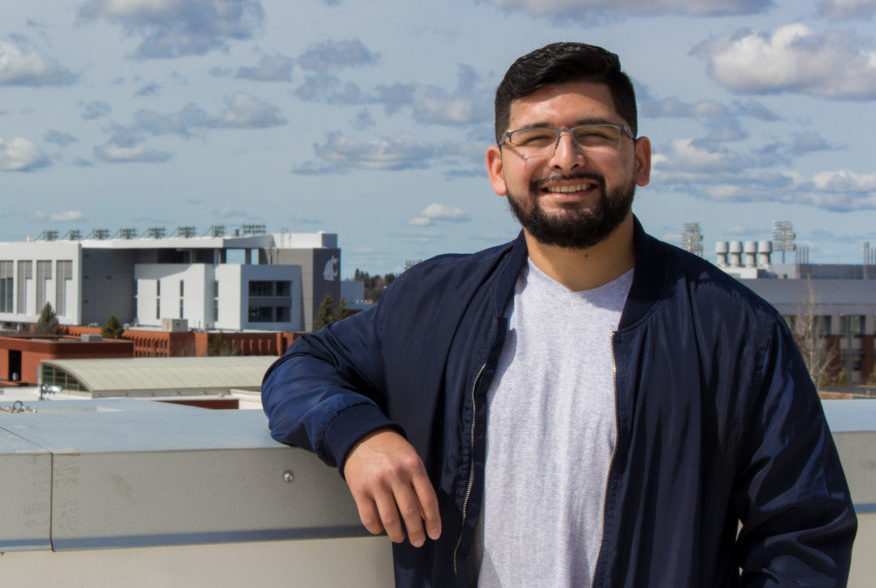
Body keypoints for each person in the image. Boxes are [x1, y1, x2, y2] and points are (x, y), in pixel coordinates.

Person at [262, 42, 856, 587]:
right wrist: (360, 435)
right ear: (499, 167)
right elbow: (304, 366)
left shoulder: (736, 334)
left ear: (641, 160)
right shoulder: (434, 302)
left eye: (594, 132)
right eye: (536, 137)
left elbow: (804, 537)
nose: (565, 158)